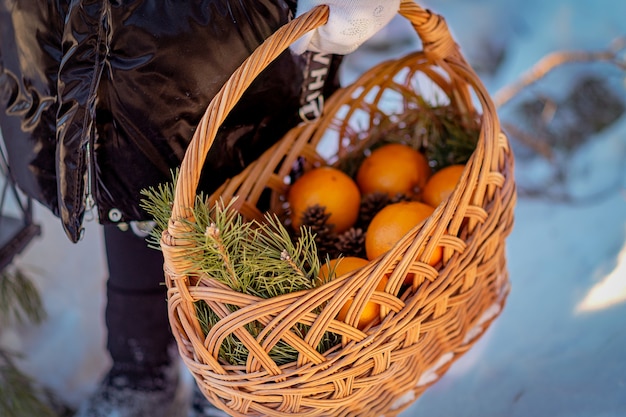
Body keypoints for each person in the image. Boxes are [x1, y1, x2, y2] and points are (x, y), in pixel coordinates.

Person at [0, 1, 399, 416]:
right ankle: (139, 367)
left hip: (223, 26)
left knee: (251, 179)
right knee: (123, 172)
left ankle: (244, 375)